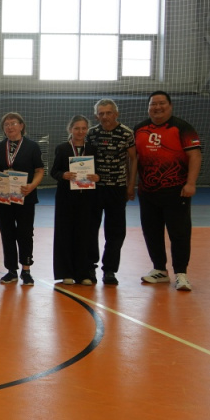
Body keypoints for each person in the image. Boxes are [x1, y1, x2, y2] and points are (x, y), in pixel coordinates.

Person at [134, 91, 201, 292]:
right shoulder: (139, 129)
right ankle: (160, 270)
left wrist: (191, 183)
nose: (157, 107)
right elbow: (134, 159)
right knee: (151, 232)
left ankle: (181, 274)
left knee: (179, 233)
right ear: (148, 107)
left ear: (170, 106)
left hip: (176, 192)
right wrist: (130, 186)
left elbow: (195, 156)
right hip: (147, 192)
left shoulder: (182, 127)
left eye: (162, 103)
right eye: (153, 104)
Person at [0, 112, 44, 286]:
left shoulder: (32, 146)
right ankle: (11, 270)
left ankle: (26, 270)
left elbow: (39, 170)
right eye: (6, 124)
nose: (10, 127)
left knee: (25, 233)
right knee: (7, 233)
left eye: (13, 123)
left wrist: (32, 186)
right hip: (3, 198)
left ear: (21, 125)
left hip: (25, 197)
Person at [86, 99, 136, 286]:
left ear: (116, 114)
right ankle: (90, 267)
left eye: (108, 113)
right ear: (96, 116)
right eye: (101, 113)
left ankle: (110, 270)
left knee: (115, 231)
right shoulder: (91, 133)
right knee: (90, 229)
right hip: (94, 189)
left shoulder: (126, 133)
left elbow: (133, 159)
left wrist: (131, 185)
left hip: (117, 188)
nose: (105, 116)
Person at [50, 116, 101, 286]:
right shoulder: (62, 148)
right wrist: (63, 175)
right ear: (70, 129)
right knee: (64, 234)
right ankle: (66, 272)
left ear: (87, 130)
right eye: (77, 128)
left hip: (87, 198)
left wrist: (97, 177)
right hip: (66, 197)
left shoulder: (92, 149)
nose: (80, 132)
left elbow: (99, 172)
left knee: (84, 234)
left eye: (83, 128)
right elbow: (54, 171)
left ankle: (83, 273)